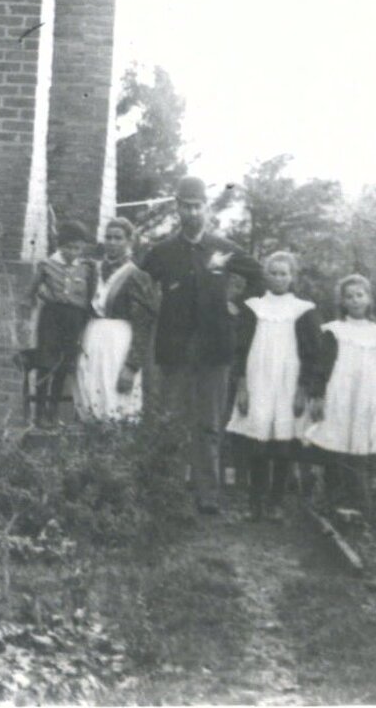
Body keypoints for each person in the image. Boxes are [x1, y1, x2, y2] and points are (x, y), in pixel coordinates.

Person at [138, 175, 265, 514]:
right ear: (177, 208)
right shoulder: (162, 252)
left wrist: (235, 305)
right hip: (175, 349)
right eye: (185, 206)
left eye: (197, 206)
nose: (192, 213)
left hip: (214, 349)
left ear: (206, 208)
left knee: (209, 423)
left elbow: (258, 275)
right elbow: (139, 284)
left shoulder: (222, 248)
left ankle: (207, 495)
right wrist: (158, 308)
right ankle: (167, 491)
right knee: (171, 419)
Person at [224, 250, 324, 520]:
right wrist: (242, 386)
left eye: (284, 273)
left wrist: (304, 389)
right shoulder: (253, 307)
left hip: (288, 383)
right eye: (273, 272)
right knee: (257, 441)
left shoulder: (304, 310)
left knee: (283, 443)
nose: (278, 278)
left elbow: (313, 354)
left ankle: (276, 502)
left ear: (292, 277)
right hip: (258, 380)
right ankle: (254, 503)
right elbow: (240, 349)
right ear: (265, 276)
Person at [302, 273, 376, 518]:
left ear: (369, 299)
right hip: (340, 393)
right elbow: (322, 367)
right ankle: (334, 504)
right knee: (336, 444)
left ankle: (361, 508)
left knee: (361, 447)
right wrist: (318, 396)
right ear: (342, 302)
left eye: (359, 295)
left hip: (368, 395)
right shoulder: (335, 331)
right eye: (349, 297)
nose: (355, 301)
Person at [73, 218, 157, 423]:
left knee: (116, 401)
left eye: (118, 238)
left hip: (119, 344)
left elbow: (143, 325)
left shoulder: (136, 276)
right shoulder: (93, 271)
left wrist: (131, 365)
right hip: (92, 340)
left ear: (129, 241)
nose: (112, 242)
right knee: (90, 396)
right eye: (108, 237)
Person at [25, 219, 95, 427]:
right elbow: (31, 292)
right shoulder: (47, 265)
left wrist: (86, 319)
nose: (72, 252)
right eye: (68, 247)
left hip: (74, 319)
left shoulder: (87, 268)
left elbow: (90, 297)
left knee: (63, 364)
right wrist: (39, 297)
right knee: (45, 363)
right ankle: (39, 412)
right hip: (51, 318)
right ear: (60, 245)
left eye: (77, 248)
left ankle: (53, 411)